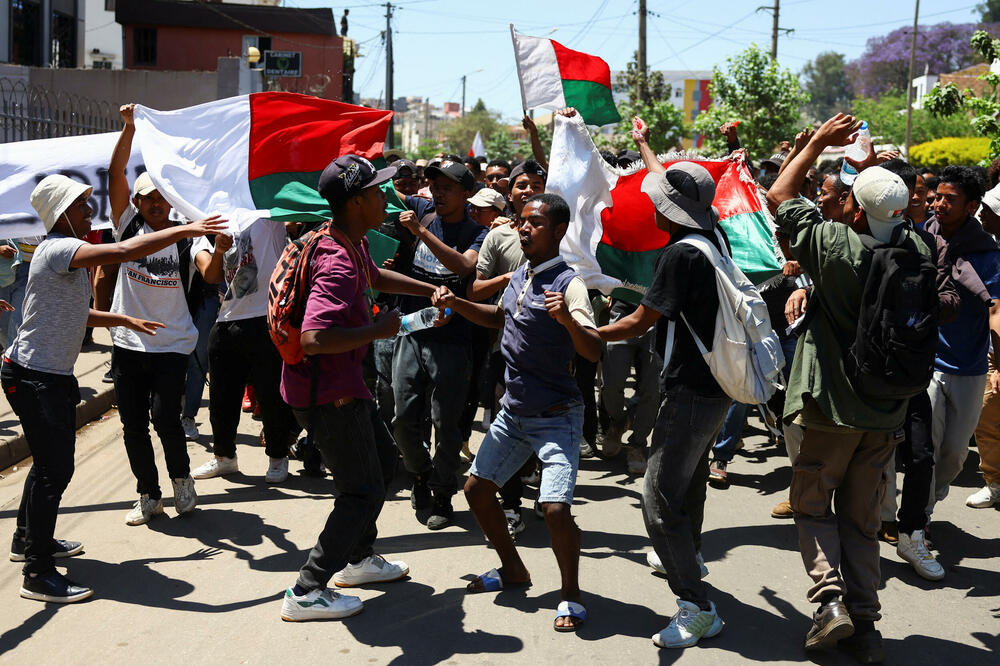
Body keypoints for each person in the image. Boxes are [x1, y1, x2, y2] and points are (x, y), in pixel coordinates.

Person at [7, 174, 224, 603]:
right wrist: (188, 228)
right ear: (61, 213)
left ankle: (27, 540)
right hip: (35, 375)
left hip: (43, 374)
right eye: (82, 205)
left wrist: (123, 320)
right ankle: (37, 573)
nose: (91, 211)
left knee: (46, 465)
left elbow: (76, 313)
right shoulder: (59, 248)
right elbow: (125, 250)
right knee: (55, 470)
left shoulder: (63, 255)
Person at [766, 114, 933, 663]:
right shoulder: (919, 251)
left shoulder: (830, 245)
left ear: (854, 208)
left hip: (828, 407)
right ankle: (866, 627)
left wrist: (815, 142)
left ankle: (830, 600)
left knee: (813, 507)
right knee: (863, 521)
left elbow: (780, 192)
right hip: (886, 411)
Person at [279, 155, 441, 621]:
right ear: (355, 202)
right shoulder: (336, 260)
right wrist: (379, 330)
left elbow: (374, 275)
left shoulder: (347, 241)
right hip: (328, 395)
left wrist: (425, 289)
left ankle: (358, 560)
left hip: (345, 386)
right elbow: (313, 338)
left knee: (385, 463)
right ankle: (306, 590)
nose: (384, 197)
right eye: (375, 191)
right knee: (362, 492)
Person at [435, 193, 600, 633]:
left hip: (556, 414)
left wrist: (567, 320)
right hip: (513, 411)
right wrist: (457, 305)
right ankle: (513, 569)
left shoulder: (570, 284)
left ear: (559, 231)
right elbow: (500, 318)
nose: (524, 229)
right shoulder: (523, 274)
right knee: (476, 490)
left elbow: (594, 350)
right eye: (522, 221)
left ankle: (571, 594)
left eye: (536, 223)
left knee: (554, 510)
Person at [598, 117, 732, 649]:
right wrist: (646, 149)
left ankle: (696, 606)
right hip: (717, 386)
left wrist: (582, 328)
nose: (650, 201)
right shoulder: (712, 232)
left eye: (658, 197)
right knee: (689, 480)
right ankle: (691, 554)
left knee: (656, 496)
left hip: (691, 391)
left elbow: (636, 322)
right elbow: (679, 191)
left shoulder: (678, 255)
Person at [106, 104, 201, 525]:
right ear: (138, 203)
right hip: (128, 340)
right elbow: (115, 176)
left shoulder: (185, 237)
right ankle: (148, 493)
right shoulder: (127, 229)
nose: (155, 203)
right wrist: (128, 129)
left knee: (165, 417)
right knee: (132, 425)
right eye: (147, 198)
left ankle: (181, 479)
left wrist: (220, 248)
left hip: (172, 342)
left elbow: (211, 272)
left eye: (161, 196)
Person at [393, 160, 488, 529]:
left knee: (446, 423)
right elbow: (387, 193)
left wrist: (421, 232)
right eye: (434, 184)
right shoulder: (421, 210)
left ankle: (443, 493)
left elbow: (464, 267)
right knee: (402, 419)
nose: (438, 192)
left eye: (448, 187)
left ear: (468, 193)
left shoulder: (476, 232)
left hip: (451, 340)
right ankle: (420, 474)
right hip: (411, 331)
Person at [189, 210, 300, 483]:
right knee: (221, 400)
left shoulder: (264, 214)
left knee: (271, 396)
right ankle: (225, 458)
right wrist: (218, 250)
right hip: (227, 321)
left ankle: (277, 456)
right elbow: (211, 275)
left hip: (266, 318)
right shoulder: (202, 231)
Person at [924, 166, 1000, 525]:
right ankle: (916, 518)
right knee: (924, 447)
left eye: (949, 200)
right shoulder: (922, 239)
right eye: (937, 196)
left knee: (954, 455)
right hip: (926, 362)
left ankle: (929, 497)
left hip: (970, 367)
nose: (938, 204)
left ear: (971, 206)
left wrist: (997, 364)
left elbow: (995, 311)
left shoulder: (987, 254)